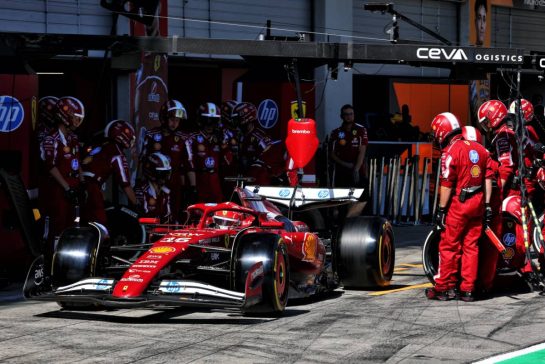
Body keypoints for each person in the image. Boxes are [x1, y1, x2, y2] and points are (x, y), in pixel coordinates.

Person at [425, 112, 488, 302]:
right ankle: (468, 290)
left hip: (459, 204)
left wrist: (441, 209)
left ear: (443, 131)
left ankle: (444, 287)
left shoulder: (450, 152)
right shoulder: (480, 149)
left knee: (448, 245)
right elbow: (489, 177)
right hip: (478, 202)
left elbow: (446, 184)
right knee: (471, 246)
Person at [39, 96, 85, 271]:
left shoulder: (73, 138)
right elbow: (49, 166)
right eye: (76, 117)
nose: (78, 122)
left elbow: (77, 162)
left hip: (72, 191)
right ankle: (51, 267)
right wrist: (66, 188)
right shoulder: (50, 139)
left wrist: (82, 184)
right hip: (56, 192)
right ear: (65, 116)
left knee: (72, 227)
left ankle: (69, 265)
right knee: (55, 229)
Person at [81, 119, 137, 225]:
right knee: (100, 224)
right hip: (91, 187)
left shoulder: (99, 147)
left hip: (78, 184)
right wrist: (136, 205)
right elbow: (125, 184)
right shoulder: (117, 153)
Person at [141, 99, 189, 222]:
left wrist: (187, 188)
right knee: (153, 211)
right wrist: (140, 180)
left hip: (175, 181)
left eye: (177, 120)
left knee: (174, 213)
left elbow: (185, 165)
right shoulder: (152, 134)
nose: (175, 123)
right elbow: (142, 159)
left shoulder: (183, 137)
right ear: (164, 118)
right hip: (154, 181)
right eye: (172, 119)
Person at [185, 102, 226, 203]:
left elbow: (228, 162)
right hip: (199, 180)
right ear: (200, 120)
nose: (210, 125)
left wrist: (224, 144)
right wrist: (193, 187)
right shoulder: (192, 138)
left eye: (213, 122)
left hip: (215, 181)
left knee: (218, 212)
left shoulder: (219, 139)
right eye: (207, 121)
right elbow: (189, 164)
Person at [232, 102, 277, 185]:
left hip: (257, 179)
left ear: (246, 118)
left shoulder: (259, 136)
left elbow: (270, 160)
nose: (235, 122)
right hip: (243, 177)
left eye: (238, 119)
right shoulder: (238, 135)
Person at [328, 104, 368, 188]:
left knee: (359, 197)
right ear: (341, 116)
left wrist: (356, 169)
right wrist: (346, 164)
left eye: (351, 114)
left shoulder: (361, 129)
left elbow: (362, 150)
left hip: (358, 169)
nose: (349, 116)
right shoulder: (335, 132)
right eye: (346, 114)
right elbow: (331, 153)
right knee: (341, 198)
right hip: (341, 171)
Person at [135, 152, 172, 223]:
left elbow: (167, 217)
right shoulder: (141, 190)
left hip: (161, 231)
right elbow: (143, 217)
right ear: (151, 172)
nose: (164, 178)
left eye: (166, 173)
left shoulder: (166, 191)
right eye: (162, 174)